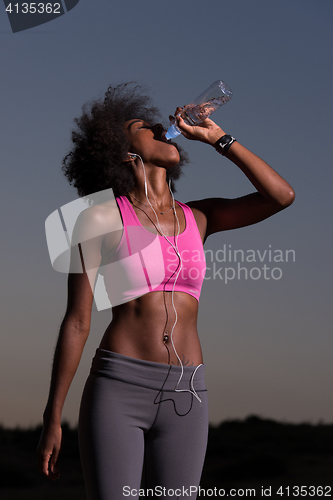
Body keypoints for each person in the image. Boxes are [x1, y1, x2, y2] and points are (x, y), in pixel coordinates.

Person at [37, 82, 295, 499]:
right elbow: (78, 321)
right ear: (124, 152)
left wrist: (219, 140)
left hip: (187, 394)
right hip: (118, 388)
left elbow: (281, 196)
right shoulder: (98, 220)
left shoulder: (200, 217)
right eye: (144, 126)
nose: (160, 124)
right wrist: (52, 416)